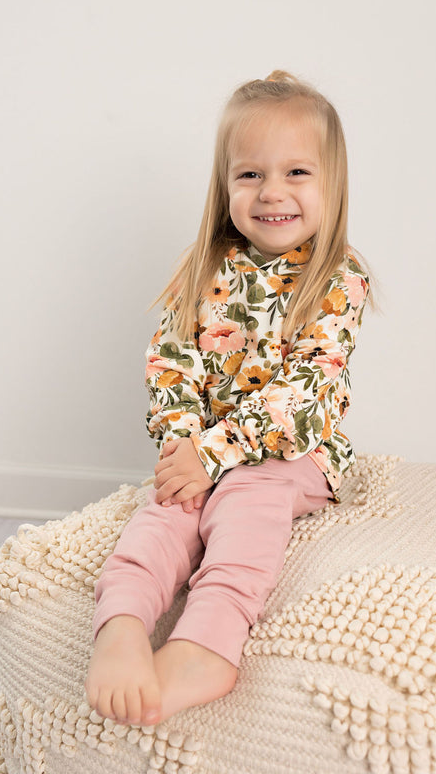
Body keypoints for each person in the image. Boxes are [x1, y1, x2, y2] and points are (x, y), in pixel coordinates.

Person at [85, 70, 370, 727]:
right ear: (225, 185)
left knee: (246, 500)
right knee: (167, 512)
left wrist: (215, 454)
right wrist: (182, 447)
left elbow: (307, 393)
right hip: (203, 450)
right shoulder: (204, 265)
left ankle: (208, 644)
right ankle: (121, 622)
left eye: (297, 172)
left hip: (291, 454)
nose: (272, 191)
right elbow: (172, 361)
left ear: (331, 183)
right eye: (250, 174)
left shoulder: (337, 276)